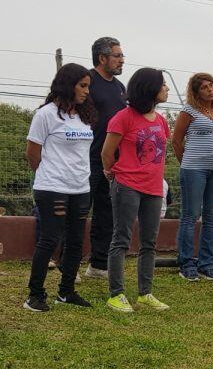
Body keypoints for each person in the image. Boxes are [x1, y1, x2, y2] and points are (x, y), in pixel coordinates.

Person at [23, 63, 96, 312]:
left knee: (76, 241)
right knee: (50, 239)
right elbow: (33, 154)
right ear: (68, 85)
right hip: (52, 187)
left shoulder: (83, 116)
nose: (87, 91)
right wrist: (50, 175)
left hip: (80, 188)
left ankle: (66, 292)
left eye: (88, 86)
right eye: (82, 86)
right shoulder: (46, 114)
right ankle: (34, 295)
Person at [102, 68, 171, 312]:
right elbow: (107, 153)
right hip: (127, 185)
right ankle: (116, 294)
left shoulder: (162, 120)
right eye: (163, 85)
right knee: (121, 239)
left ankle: (145, 293)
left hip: (153, 189)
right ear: (150, 88)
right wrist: (111, 172)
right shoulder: (124, 117)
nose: (167, 89)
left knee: (149, 242)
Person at [172, 73, 213, 281]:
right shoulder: (189, 111)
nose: (209, 90)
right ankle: (186, 263)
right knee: (191, 215)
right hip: (194, 168)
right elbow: (176, 141)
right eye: (204, 87)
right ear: (196, 92)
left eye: (211, 85)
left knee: (212, 218)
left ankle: (206, 263)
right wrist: (187, 164)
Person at [85, 37, 127, 280]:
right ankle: (64, 261)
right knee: (79, 211)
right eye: (117, 56)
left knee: (106, 212)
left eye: (122, 56)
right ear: (102, 58)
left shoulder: (120, 88)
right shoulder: (87, 82)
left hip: (112, 161)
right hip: (87, 159)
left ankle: (98, 265)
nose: (122, 60)